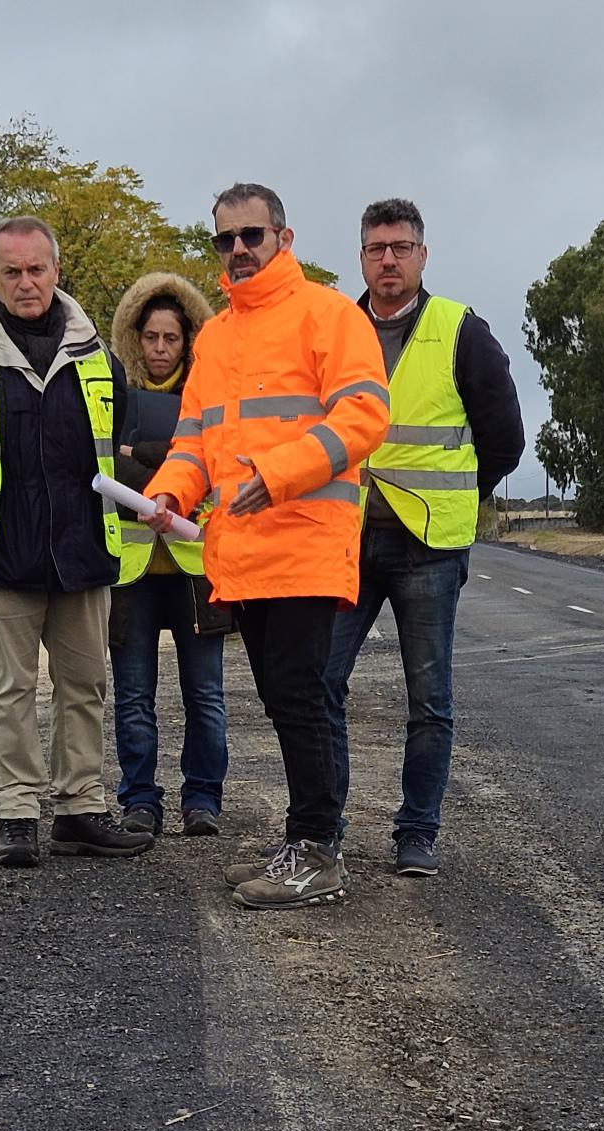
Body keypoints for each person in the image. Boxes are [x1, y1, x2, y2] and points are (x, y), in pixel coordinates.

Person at [143, 183, 390, 909]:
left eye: (252, 235)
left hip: (307, 546)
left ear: (284, 238)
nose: (239, 250)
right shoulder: (214, 336)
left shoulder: (328, 314)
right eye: (225, 239)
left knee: (304, 701)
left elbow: (366, 413)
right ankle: (304, 841)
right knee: (286, 705)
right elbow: (194, 440)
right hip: (241, 555)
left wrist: (277, 476)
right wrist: (169, 492)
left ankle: (318, 851)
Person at [0, 215, 149, 867]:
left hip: (81, 548)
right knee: (10, 688)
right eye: (10, 271)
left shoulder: (96, 350)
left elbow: (111, 438)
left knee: (86, 683)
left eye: (37, 268)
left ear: (56, 271)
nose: (25, 282)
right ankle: (16, 814)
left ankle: (79, 811)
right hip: (2, 553)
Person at [326, 199, 525, 876]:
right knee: (319, 685)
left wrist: (463, 494)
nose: (389, 259)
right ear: (361, 256)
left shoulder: (461, 331)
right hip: (344, 541)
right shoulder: (335, 328)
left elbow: (504, 439)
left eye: (401, 247)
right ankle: (323, 829)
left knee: (429, 700)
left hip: (427, 547)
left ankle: (417, 834)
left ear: (422, 255)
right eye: (377, 247)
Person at [107, 273, 231, 840]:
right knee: (134, 698)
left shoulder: (212, 394)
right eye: (151, 338)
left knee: (205, 697)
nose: (160, 349)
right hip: (131, 572)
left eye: (171, 339)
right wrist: (171, 463)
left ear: (188, 341)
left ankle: (203, 798)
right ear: (136, 338)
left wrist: (143, 455)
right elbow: (104, 465)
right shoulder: (111, 395)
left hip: (196, 572)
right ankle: (139, 800)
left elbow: (214, 464)